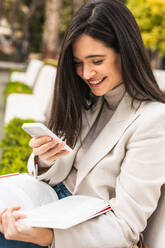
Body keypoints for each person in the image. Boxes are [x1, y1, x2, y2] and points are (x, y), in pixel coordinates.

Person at [0, 0, 165, 247]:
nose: (86, 73)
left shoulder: (153, 120)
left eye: (96, 61)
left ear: (126, 53)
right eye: (78, 63)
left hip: (84, 231)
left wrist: (50, 237)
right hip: (48, 205)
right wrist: (46, 159)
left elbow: (126, 226)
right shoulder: (87, 99)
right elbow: (63, 172)